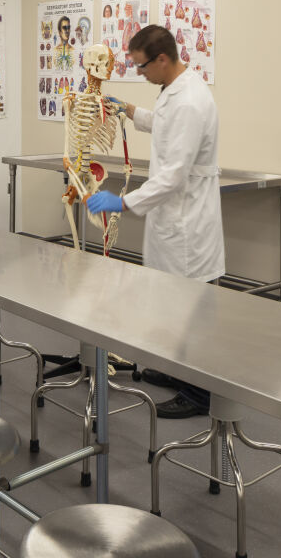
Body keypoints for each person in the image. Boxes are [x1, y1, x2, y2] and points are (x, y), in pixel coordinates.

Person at [87, 25, 225, 418]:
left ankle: (199, 394)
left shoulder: (190, 101)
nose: (140, 73)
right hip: (172, 217)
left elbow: (173, 176)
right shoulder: (174, 90)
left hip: (186, 222)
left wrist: (122, 202)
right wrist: (129, 111)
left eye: (142, 66)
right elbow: (163, 124)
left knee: (190, 308)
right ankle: (180, 373)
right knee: (171, 303)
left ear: (162, 59)